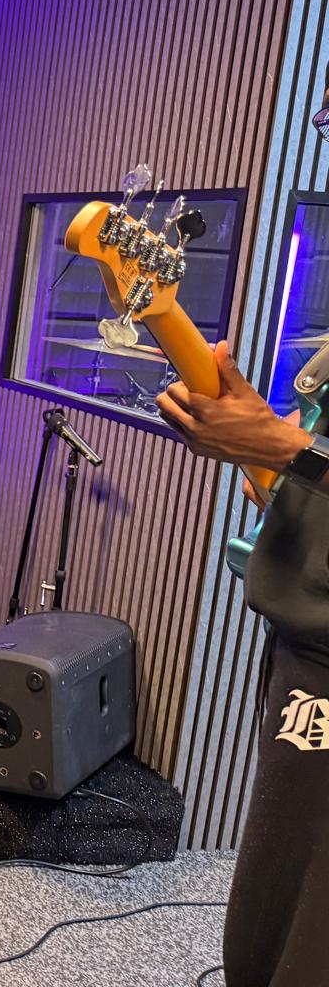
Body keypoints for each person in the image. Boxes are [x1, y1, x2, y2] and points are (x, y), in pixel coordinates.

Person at [157, 317, 329, 985]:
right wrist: (268, 460)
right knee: (265, 927)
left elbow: (308, 460)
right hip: (304, 646)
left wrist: (292, 452)